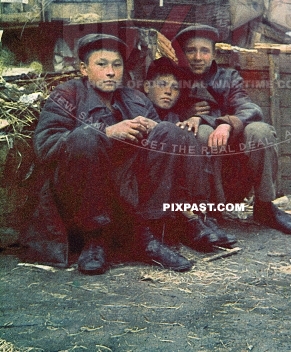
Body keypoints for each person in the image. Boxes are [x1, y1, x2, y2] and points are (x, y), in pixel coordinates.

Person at [29, 34, 209, 275]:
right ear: (84, 69)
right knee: (85, 137)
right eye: (101, 65)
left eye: (117, 65)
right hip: (80, 193)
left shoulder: (134, 98)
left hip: (126, 189)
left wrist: (153, 129)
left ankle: (147, 237)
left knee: (168, 131)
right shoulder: (67, 95)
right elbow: (45, 146)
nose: (111, 72)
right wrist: (106, 132)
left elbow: (159, 141)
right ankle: (95, 240)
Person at [171, 24, 291, 235]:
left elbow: (250, 108)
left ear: (213, 54)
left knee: (260, 131)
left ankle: (265, 206)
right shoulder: (175, 79)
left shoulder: (228, 77)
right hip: (201, 160)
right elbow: (162, 114)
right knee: (200, 133)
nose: (198, 57)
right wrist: (187, 113)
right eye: (191, 50)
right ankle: (207, 211)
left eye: (204, 50)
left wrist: (225, 124)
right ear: (184, 55)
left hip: (234, 153)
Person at [143, 56, 237, 248]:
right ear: (146, 87)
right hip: (148, 190)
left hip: (175, 194)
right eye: (162, 84)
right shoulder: (137, 107)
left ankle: (199, 217)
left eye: (175, 88)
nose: (168, 91)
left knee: (192, 140)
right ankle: (191, 220)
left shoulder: (174, 116)